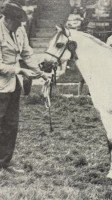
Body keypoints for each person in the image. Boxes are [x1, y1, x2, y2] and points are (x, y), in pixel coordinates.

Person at [0, 1, 49, 172]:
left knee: (11, 124)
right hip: (0, 86)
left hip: (13, 85)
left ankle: (5, 162)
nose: (18, 27)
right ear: (6, 19)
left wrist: (41, 73)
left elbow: (27, 54)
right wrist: (20, 70)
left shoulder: (19, 30)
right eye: (15, 22)